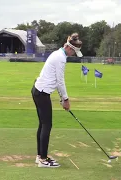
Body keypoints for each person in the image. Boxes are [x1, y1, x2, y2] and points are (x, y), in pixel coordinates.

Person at [31, 33, 83, 168]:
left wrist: (62, 98)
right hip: (42, 93)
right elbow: (60, 81)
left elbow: (56, 81)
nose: (73, 55)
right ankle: (43, 159)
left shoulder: (57, 54)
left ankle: (40, 156)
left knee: (43, 124)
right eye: (74, 52)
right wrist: (65, 99)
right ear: (70, 48)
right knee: (46, 125)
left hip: (38, 90)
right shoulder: (61, 58)